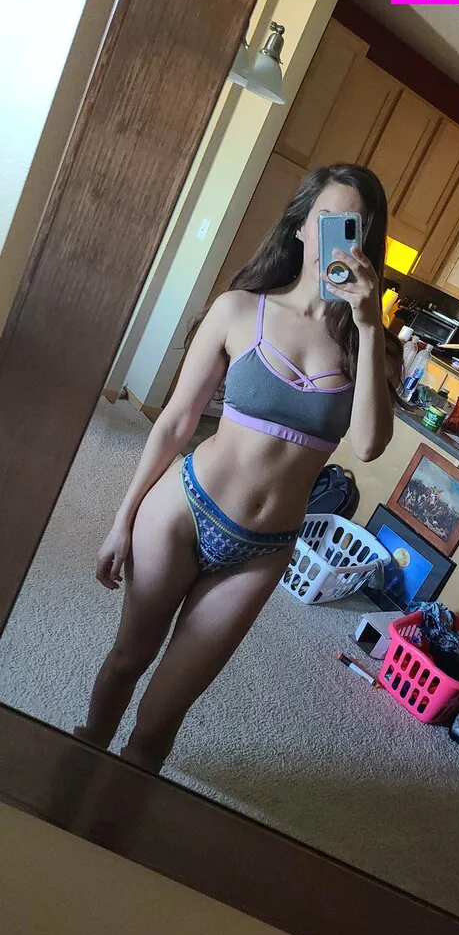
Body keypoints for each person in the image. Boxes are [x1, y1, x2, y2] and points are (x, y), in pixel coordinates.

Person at [74, 163, 402, 774]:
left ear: (366, 243)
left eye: (352, 226)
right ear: (302, 227)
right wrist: (121, 520)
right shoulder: (238, 309)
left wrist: (366, 323)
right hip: (183, 510)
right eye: (326, 219)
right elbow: (175, 422)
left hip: (262, 551)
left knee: (161, 721)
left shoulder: (372, 347)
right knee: (127, 659)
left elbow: (366, 445)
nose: (336, 236)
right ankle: (80, 757)